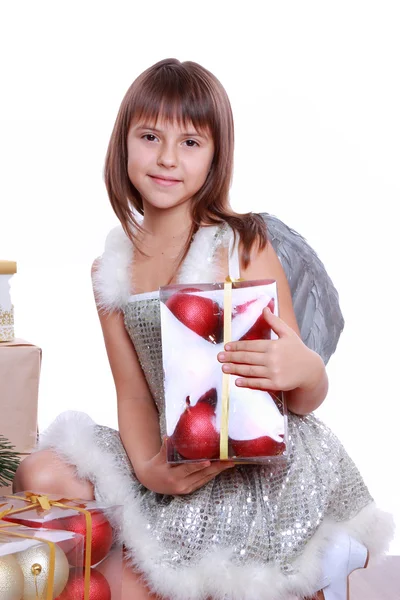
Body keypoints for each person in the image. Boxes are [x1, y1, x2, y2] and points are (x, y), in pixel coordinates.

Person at [13, 58, 393, 600]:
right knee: (41, 474)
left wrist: (306, 369)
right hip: (169, 450)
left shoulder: (241, 244)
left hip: (255, 467)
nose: (167, 158)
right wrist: (149, 471)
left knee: (152, 584)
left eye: (190, 142)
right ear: (124, 145)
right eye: (150, 136)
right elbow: (136, 398)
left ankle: (299, 563)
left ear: (216, 156)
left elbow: (301, 396)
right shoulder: (109, 272)